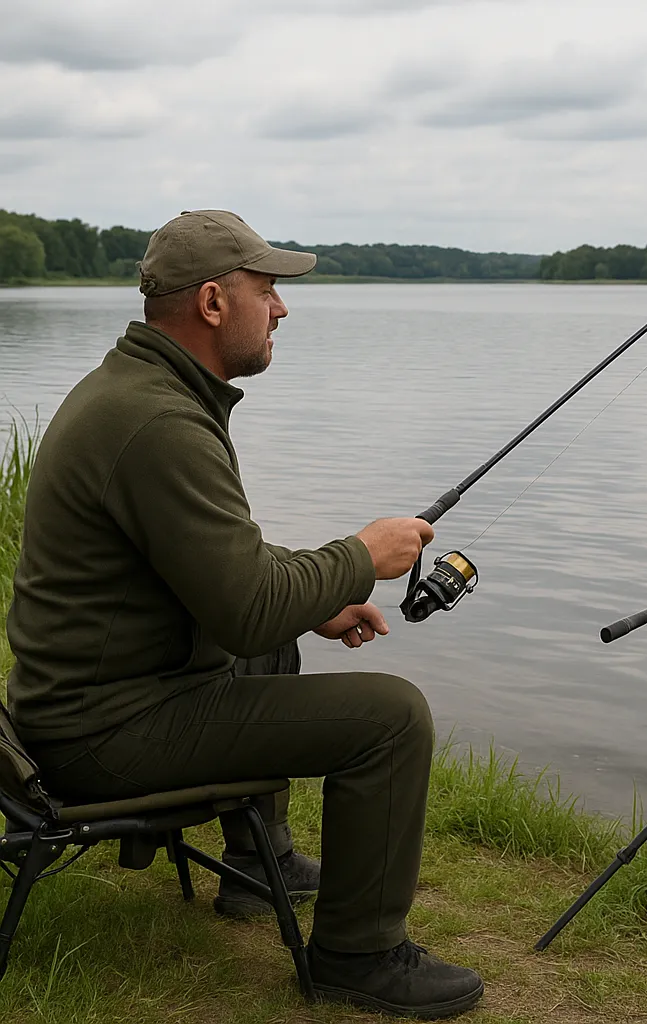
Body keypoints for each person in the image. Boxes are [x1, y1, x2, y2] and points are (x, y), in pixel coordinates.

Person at [4, 210, 484, 1019]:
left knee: (269, 646)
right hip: (100, 734)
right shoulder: (158, 421)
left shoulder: (140, 391)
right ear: (214, 302)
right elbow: (249, 605)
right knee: (392, 717)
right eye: (268, 291)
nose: (282, 308)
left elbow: (224, 568)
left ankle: (262, 868)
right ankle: (359, 955)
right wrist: (362, 556)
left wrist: (321, 597)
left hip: (87, 700)